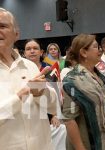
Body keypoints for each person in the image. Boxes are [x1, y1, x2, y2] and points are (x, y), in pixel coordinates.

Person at [0, 8, 57, 150]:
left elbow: (54, 106)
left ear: (16, 34)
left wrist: (41, 93)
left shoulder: (30, 66)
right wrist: (21, 95)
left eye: (2, 26)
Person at [24, 39, 67, 150]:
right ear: (24, 53)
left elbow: (57, 93)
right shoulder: (20, 70)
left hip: (47, 115)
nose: (32, 51)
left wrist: (55, 115)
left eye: (35, 48)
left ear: (41, 52)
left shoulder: (50, 69)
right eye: (28, 49)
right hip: (26, 114)